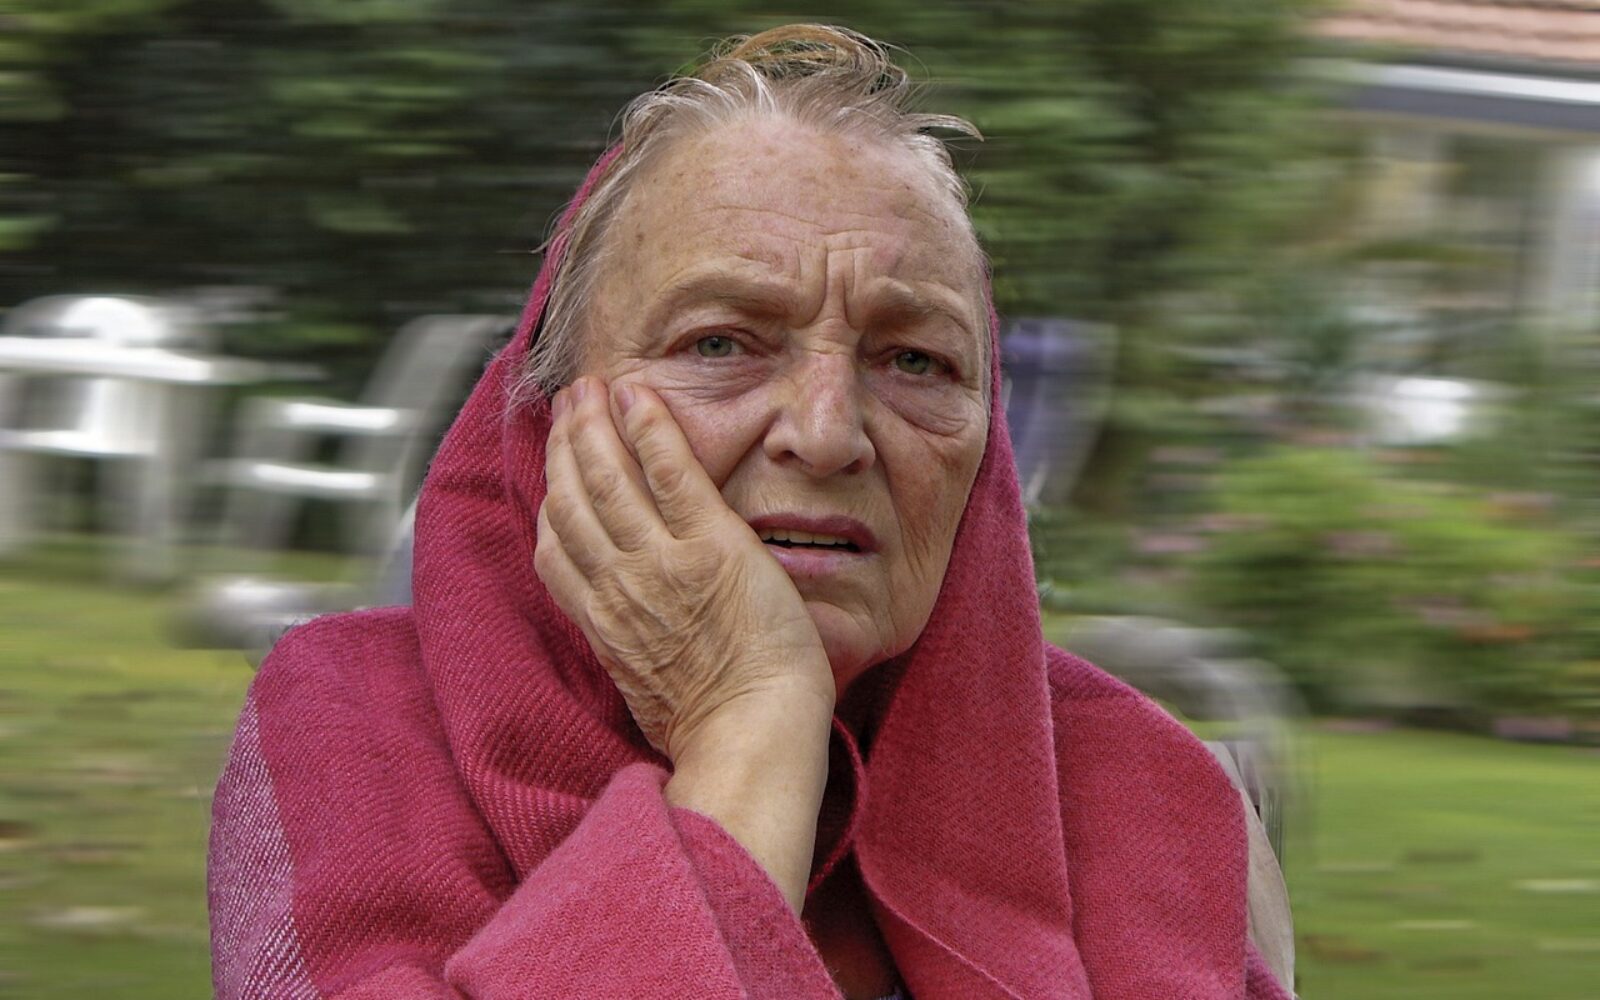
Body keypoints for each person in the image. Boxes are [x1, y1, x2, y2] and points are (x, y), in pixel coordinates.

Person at [208, 25, 1294, 1000]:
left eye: (916, 361)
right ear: (547, 420)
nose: (826, 434)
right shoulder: (352, 729)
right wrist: (750, 728)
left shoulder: (1142, 797)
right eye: (720, 342)